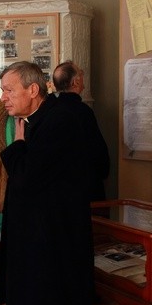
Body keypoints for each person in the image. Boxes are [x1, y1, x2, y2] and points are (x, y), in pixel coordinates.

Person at [0, 61, 94, 305]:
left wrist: (18, 146)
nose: (3, 97)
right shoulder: (38, 120)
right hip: (36, 239)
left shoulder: (58, 122)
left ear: (33, 91)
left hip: (54, 243)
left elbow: (29, 178)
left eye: (9, 90)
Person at [52, 60, 110, 203]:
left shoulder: (49, 110)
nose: (83, 76)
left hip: (56, 189)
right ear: (76, 82)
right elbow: (97, 151)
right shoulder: (82, 112)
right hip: (82, 188)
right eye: (81, 73)